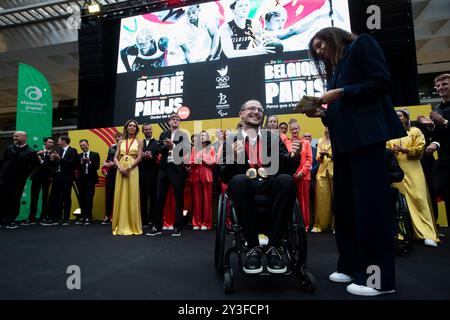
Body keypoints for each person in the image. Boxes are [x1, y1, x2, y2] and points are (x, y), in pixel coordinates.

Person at [306, 27, 405, 296]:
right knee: (347, 207)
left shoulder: (362, 44)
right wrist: (323, 114)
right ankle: (350, 265)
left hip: (367, 139)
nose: (320, 51)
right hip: (344, 145)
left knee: (370, 207)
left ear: (333, 36)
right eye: (316, 50)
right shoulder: (336, 68)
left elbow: (381, 83)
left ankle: (378, 281)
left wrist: (341, 93)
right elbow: (345, 106)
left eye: (321, 44)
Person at [220, 99, 301, 274]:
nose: (256, 111)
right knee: (240, 181)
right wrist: (234, 158)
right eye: (251, 108)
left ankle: (274, 246)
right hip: (244, 187)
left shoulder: (272, 137)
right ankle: (252, 247)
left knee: (287, 181)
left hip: (269, 184)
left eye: (260, 109)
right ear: (241, 114)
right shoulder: (230, 140)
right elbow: (225, 176)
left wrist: (295, 156)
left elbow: (287, 168)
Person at [387, 110, 439, 247]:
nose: (397, 118)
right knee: (398, 203)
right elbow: (385, 151)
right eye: (395, 116)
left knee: (419, 200)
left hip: (413, 169)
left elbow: (420, 149)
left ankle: (427, 234)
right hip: (396, 171)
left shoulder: (415, 131)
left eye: (400, 115)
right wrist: (390, 152)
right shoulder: (389, 134)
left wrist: (405, 150)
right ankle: (402, 234)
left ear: (406, 118)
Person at [146, 113, 189, 237]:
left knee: (178, 198)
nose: (176, 121)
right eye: (174, 119)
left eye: (178, 120)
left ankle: (177, 227)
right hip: (164, 169)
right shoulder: (163, 134)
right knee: (159, 198)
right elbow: (158, 148)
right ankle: (157, 227)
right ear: (169, 121)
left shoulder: (183, 135)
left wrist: (174, 146)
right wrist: (167, 146)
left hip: (177, 169)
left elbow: (186, 150)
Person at [0, 131, 39, 229]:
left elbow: (35, 166)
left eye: (16, 136)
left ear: (24, 138)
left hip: (18, 181)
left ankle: (10, 220)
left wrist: (24, 176)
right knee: (3, 198)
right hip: (4, 178)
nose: (14, 137)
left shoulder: (31, 152)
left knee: (14, 199)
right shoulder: (9, 148)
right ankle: (1, 219)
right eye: (14, 136)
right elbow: (4, 161)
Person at [112, 120, 144, 235]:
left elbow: (139, 157)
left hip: (133, 170)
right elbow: (115, 157)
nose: (132, 128)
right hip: (120, 170)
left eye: (134, 126)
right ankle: (119, 224)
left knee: (132, 194)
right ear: (126, 128)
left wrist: (128, 168)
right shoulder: (120, 142)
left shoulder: (139, 141)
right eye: (130, 126)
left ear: (136, 129)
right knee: (120, 194)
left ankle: (133, 225)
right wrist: (120, 167)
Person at [44, 135, 79, 226]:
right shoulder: (57, 150)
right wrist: (51, 159)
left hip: (67, 177)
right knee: (54, 197)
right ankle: (54, 217)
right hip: (57, 177)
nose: (57, 142)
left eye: (59, 141)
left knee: (66, 197)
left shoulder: (73, 150)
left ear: (64, 141)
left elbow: (73, 163)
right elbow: (51, 164)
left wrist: (60, 159)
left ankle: (66, 218)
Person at [25, 137, 54, 225]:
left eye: (52, 143)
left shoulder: (54, 153)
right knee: (34, 198)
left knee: (45, 198)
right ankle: (31, 218)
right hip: (36, 177)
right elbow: (30, 163)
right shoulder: (37, 152)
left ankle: (44, 217)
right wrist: (37, 154)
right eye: (50, 142)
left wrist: (53, 160)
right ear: (45, 143)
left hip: (47, 178)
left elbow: (54, 166)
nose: (51, 144)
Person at [289, 121, 312, 230]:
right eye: (292, 129)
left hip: (303, 177)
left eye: (296, 129)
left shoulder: (306, 143)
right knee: (291, 202)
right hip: (291, 177)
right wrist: (293, 173)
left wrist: (302, 172)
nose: (294, 131)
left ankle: (304, 226)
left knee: (304, 203)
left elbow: (309, 159)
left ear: (299, 129)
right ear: (290, 130)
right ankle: (293, 225)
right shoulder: (287, 143)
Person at [190, 131, 216, 230]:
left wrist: (203, 159)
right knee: (197, 201)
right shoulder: (194, 148)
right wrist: (195, 161)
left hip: (206, 175)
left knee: (207, 201)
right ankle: (197, 223)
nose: (202, 137)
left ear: (208, 138)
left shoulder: (212, 148)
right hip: (195, 175)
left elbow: (213, 161)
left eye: (204, 135)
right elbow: (190, 161)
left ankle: (206, 223)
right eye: (200, 135)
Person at [311, 128, 334, 233]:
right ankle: (321, 225)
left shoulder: (338, 139)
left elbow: (341, 156)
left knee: (338, 200)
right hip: (322, 172)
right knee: (321, 200)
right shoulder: (320, 141)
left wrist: (328, 154)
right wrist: (321, 155)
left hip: (335, 172)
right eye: (326, 127)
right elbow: (317, 159)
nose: (327, 129)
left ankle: (337, 226)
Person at [139, 123, 159, 228]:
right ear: (143, 131)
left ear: (152, 130)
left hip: (153, 173)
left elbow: (160, 158)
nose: (148, 131)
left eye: (149, 129)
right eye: (145, 129)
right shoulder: (139, 143)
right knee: (142, 197)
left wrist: (152, 157)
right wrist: (141, 156)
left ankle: (153, 220)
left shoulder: (157, 143)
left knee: (153, 197)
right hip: (141, 173)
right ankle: (144, 220)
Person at [76, 139, 100, 225]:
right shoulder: (78, 156)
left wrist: (89, 162)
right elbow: (76, 167)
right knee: (82, 198)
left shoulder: (95, 154)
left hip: (91, 179)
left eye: (84, 145)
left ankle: (88, 217)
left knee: (89, 198)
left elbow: (97, 167)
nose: (83, 147)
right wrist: (81, 163)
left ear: (88, 144)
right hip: (81, 179)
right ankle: (82, 217)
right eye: (81, 145)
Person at [101, 132, 123, 224]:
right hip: (111, 175)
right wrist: (105, 169)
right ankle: (107, 216)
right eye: (116, 137)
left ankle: (120, 217)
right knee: (109, 196)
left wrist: (113, 164)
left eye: (119, 137)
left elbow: (126, 159)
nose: (117, 138)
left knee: (121, 196)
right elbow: (108, 160)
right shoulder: (111, 147)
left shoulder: (126, 147)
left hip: (121, 173)